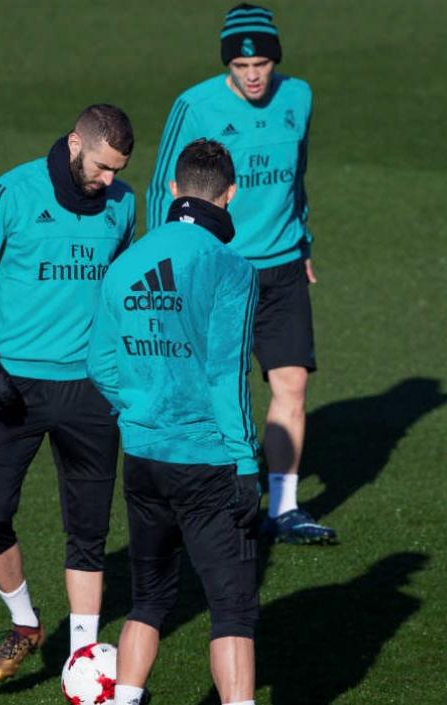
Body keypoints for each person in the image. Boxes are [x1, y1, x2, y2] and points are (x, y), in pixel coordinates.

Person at [0, 104, 136, 681]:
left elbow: (123, 289)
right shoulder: (12, 193)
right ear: (76, 143)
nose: (109, 181)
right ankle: (25, 623)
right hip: (13, 386)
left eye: (118, 170)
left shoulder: (123, 205)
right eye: (101, 167)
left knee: (88, 529)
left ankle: (82, 656)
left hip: (92, 389)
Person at [147, 4, 335, 545]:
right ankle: (203, 502)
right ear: (228, 64)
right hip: (221, 271)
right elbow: (168, 187)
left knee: (291, 384)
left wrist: (303, 243)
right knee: (210, 392)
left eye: (261, 63)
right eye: (241, 65)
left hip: (283, 267)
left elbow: (297, 178)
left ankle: (284, 509)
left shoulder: (299, 98)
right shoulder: (195, 106)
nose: (252, 74)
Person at [88, 139, 261, 705]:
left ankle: (125, 699)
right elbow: (228, 373)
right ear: (230, 194)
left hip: (142, 459)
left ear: (171, 188)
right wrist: (245, 461)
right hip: (208, 461)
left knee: (149, 600)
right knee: (232, 609)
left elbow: (100, 364)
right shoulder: (230, 267)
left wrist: (138, 410)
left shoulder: (125, 262)